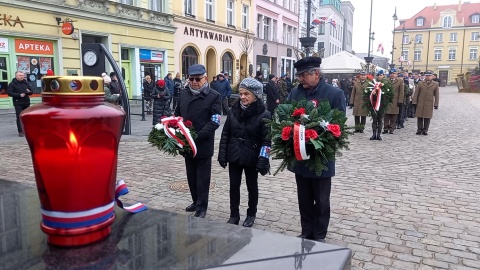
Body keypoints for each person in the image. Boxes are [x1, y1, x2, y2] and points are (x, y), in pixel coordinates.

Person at [287, 57, 346, 242]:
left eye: (304, 75)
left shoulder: (334, 94)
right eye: (299, 75)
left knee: (321, 200)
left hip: (321, 156)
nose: (301, 79)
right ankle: (306, 231)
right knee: (303, 198)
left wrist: (318, 138)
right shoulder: (295, 94)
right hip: (300, 154)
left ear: (317, 74)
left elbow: (339, 124)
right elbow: (285, 118)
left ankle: (319, 235)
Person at [218, 78, 271, 228]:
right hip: (234, 153)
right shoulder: (233, 111)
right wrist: (222, 154)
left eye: (246, 94)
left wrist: (263, 160)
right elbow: (226, 134)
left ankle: (251, 214)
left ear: (256, 95)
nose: (242, 97)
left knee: (251, 187)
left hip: (252, 155)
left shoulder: (264, 114)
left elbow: (267, 141)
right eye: (241, 93)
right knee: (234, 186)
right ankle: (234, 214)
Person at [175, 64, 222, 218]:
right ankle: (195, 201)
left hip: (202, 143)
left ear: (205, 79)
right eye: (191, 79)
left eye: (198, 79)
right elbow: (177, 114)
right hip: (187, 143)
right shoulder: (184, 93)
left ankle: (202, 207)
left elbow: (215, 121)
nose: (194, 82)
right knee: (191, 176)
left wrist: (198, 136)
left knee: (202, 178)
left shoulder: (214, 96)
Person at [412, 71, 439, 135]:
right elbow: (416, 93)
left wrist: (436, 104)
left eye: (429, 76)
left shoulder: (435, 84)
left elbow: (436, 95)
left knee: (427, 117)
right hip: (421, 102)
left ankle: (425, 129)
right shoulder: (420, 83)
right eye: (427, 75)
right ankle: (419, 129)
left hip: (429, 102)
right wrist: (414, 101)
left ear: (432, 76)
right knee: (420, 116)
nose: (428, 77)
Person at [7, 71, 32, 137]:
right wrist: (19, 95)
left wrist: (29, 92)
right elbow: (9, 93)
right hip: (18, 103)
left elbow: (31, 92)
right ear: (16, 76)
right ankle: (20, 131)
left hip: (26, 102)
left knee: (27, 117)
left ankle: (27, 130)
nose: (22, 76)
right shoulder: (12, 84)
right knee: (19, 117)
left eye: (22, 75)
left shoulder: (26, 83)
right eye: (20, 75)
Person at [383, 68, 404, 134]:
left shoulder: (400, 81)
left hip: (395, 100)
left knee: (393, 115)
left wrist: (400, 100)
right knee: (386, 115)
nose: (392, 75)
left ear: (396, 74)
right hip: (387, 100)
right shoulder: (386, 80)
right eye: (391, 73)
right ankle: (385, 128)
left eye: (394, 73)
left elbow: (401, 92)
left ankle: (392, 128)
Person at [370, 70, 387, 141]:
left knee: (380, 120)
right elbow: (368, 93)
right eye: (378, 75)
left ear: (383, 76)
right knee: (374, 120)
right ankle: (374, 134)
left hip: (382, 105)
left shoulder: (386, 83)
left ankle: (379, 135)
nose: (380, 76)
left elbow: (389, 94)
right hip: (374, 105)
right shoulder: (373, 83)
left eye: (381, 75)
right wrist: (373, 94)